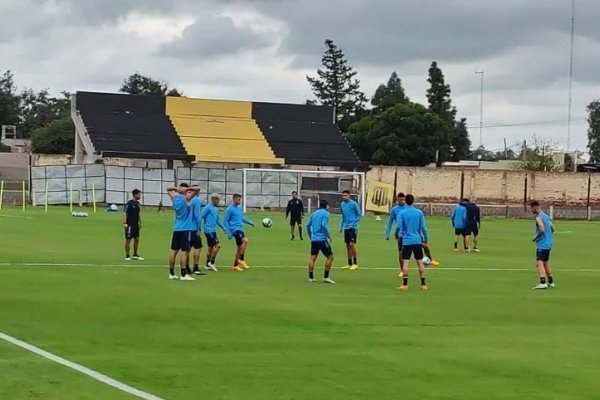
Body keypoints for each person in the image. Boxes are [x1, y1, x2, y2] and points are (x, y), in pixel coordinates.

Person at [167, 183, 200, 281]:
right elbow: (197, 189)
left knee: (173, 251)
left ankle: (171, 273)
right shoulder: (186, 198)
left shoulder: (174, 198)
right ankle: (183, 274)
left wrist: (178, 189)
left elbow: (168, 189)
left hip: (176, 228)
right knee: (184, 251)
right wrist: (186, 189)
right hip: (186, 229)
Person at [397, 194, 429, 292]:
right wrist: (426, 239)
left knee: (406, 262)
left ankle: (405, 284)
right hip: (417, 240)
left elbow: (399, 226)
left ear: (406, 201)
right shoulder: (419, 213)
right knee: (420, 261)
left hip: (407, 241)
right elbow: (423, 227)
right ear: (413, 201)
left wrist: (400, 235)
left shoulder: (402, 213)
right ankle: (423, 284)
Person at [224, 193, 255, 272]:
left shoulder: (239, 208)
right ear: (233, 199)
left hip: (240, 229)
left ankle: (235, 265)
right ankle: (241, 259)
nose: (239, 201)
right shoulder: (229, 209)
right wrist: (228, 232)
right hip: (235, 230)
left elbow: (242, 218)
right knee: (245, 240)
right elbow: (226, 221)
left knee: (239, 248)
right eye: (238, 199)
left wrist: (250, 222)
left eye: (240, 199)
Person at [306, 200, 335, 284]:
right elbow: (323, 225)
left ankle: (311, 277)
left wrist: (310, 235)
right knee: (330, 257)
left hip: (314, 239)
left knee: (312, 258)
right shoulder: (326, 214)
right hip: (322, 239)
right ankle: (326, 277)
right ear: (326, 206)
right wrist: (328, 235)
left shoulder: (314, 213)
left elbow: (307, 225)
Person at [530, 201, 555, 290]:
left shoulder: (538, 217)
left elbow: (542, 229)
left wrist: (535, 238)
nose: (531, 210)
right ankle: (551, 282)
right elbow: (552, 228)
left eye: (531, 208)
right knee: (545, 262)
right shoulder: (546, 216)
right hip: (548, 243)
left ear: (535, 207)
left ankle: (543, 282)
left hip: (542, 244)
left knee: (539, 262)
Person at [199, 193, 227, 272]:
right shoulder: (207, 208)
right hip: (208, 230)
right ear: (213, 199)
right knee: (218, 246)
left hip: (213, 230)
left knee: (210, 248)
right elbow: (201, 217)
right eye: (217, 199)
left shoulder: (216, 209)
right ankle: (212, 262)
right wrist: (199, 228)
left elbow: (218, 220)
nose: (218, 201)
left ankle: (207, 264)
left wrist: (224, 228)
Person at [385, 192, 406, 277]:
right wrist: (387, 234)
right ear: (397, 200)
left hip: (409, 234)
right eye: (400, 199)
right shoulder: (394, 209)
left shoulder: (408, 208)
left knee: (408, 252)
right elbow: (390, 222)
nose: (402, 201)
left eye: (403, 199)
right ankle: (402, 270)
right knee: (401, 253)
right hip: (400, 234)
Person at [339, 190, 361, 270]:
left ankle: (355, 263)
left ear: (349, 196)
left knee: (352, 244)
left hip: (353, 227)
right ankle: (349, 263)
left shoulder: (354, 204)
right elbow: (343, 216)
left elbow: (359, 215)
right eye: (343, 195)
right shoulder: (342, 204)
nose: (343, 197)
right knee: (347, 245)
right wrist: (341, 226)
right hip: (346, 227)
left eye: (345, 195)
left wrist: (354, 223)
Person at [123, 189, 143, 261]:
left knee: (137, 239)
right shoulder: (129, 203)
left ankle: (135, 254)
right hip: (129, 225)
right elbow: (125, 213)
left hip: (136, 225)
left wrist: (140, 222)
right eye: (139, 194)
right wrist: (125, 223)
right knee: (128, 240)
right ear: (135, 195)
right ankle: (127, 255)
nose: (140, 196)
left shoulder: (138, 203)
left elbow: (139, 213)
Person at [189, 192, 206, 276]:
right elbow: (197, 215)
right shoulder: (196, 200)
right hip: (194, 228)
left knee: (186, 249)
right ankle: (195, 268)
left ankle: (186, 268)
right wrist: (199, 228)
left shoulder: (185, 199)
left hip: (185, 227)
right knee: (197, 247)